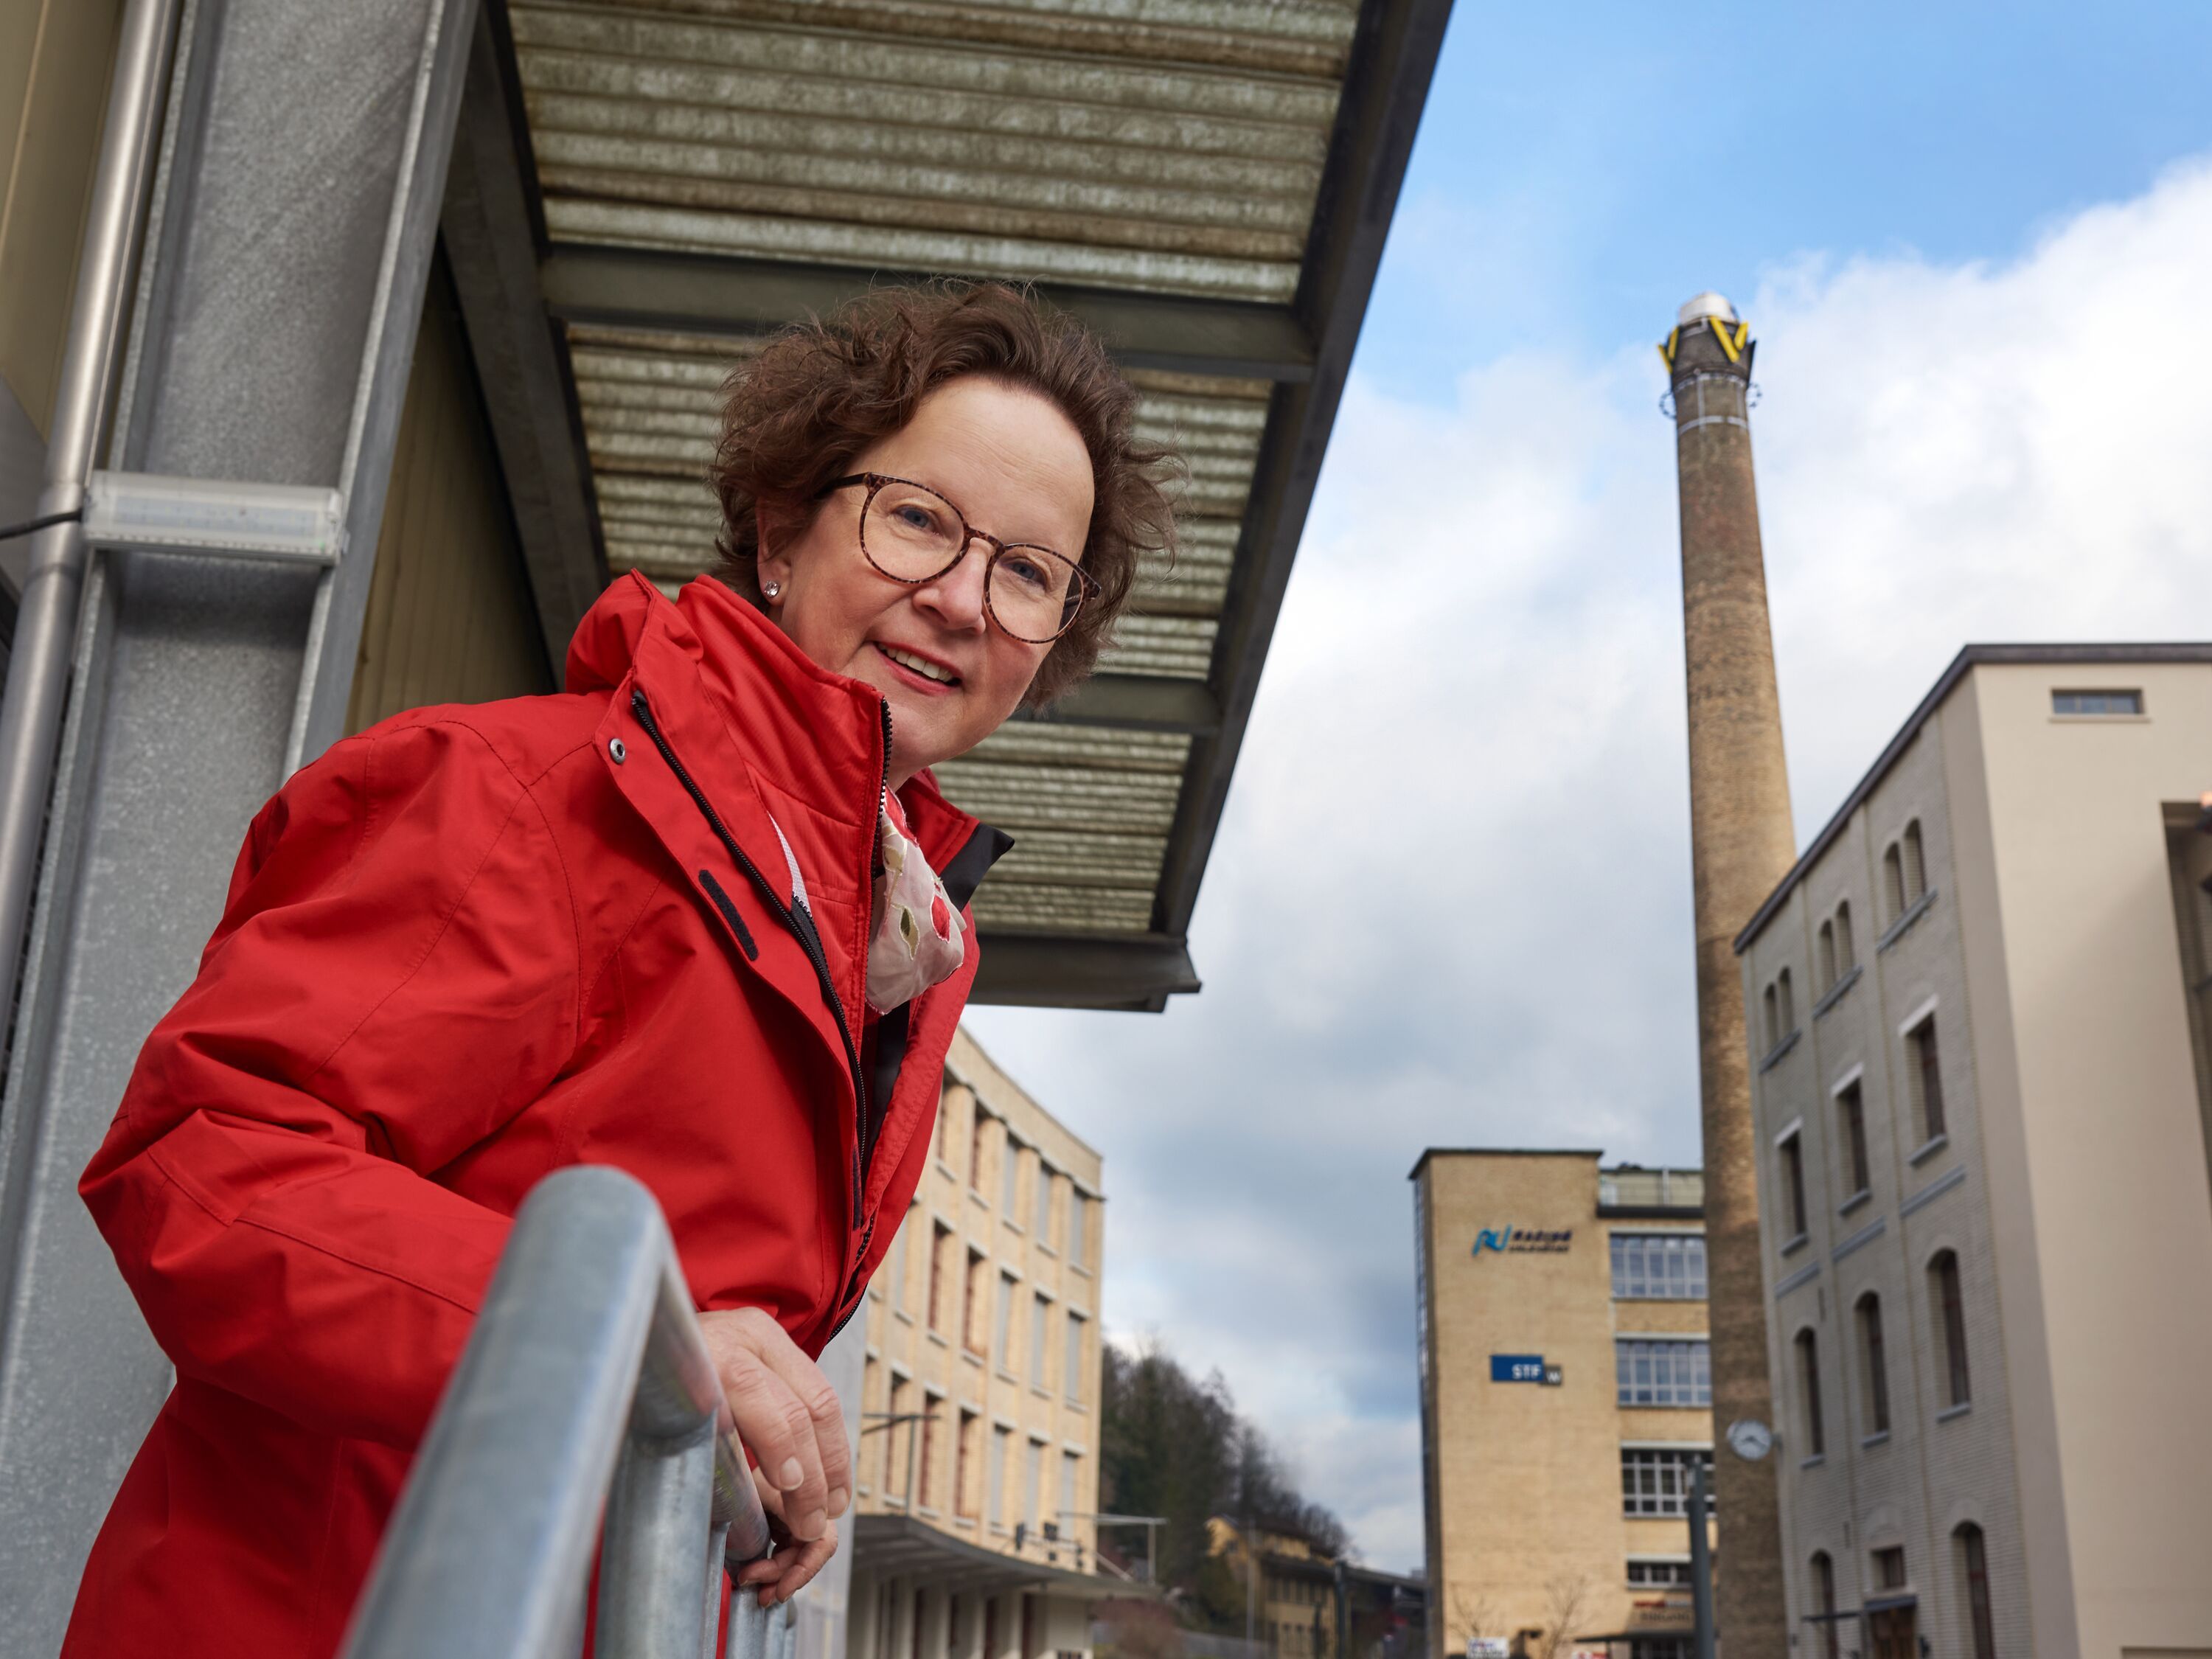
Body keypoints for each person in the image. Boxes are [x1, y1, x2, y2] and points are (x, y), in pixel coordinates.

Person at [61, 282, 1175, 1658]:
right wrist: (640, 1354)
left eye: (1029, 573)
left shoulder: (893, 945)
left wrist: (746, 1438)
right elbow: (202, 1158)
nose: (960, 599)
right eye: (918, 519)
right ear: (781, 527)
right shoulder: (522, 796)